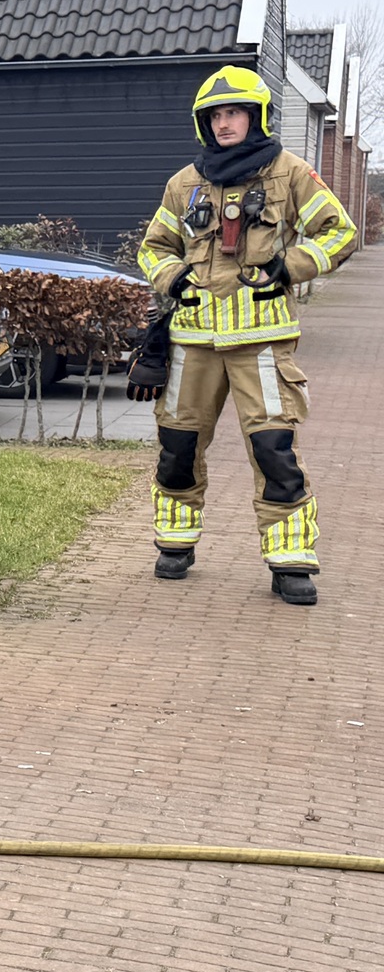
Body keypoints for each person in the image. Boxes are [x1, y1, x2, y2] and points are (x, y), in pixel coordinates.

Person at [131, 66, 357, 606]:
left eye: (234, 113)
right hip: (192, 342)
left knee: (274, 449)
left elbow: (340, 231)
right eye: (214, 115)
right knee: (178, 446)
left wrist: (291, 266)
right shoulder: (184, 183)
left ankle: (290, 560)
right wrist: (172, 276)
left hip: (262, 341)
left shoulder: (291, 173)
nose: (224, 123)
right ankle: (175, 542)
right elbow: (153, 247)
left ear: (256, 118)